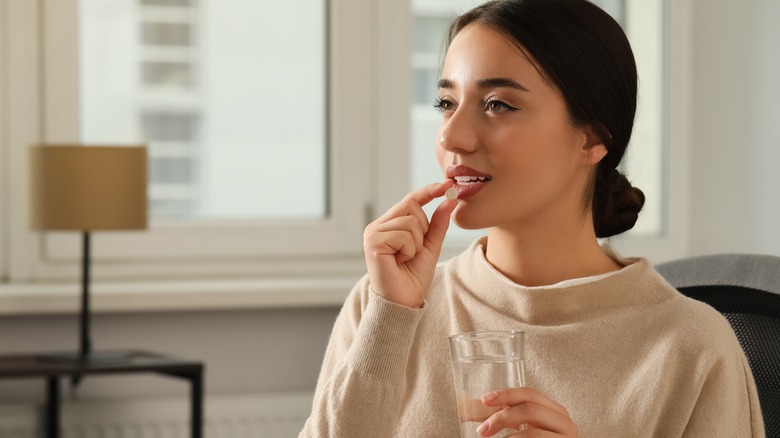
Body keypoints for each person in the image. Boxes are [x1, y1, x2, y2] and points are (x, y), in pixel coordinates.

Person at [300, 0, 764, 436]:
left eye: (498, 104)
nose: (452, 136)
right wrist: (389, 319)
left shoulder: (692, 348)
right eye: (446, 103)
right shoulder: (384, 306)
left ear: (592, 139)